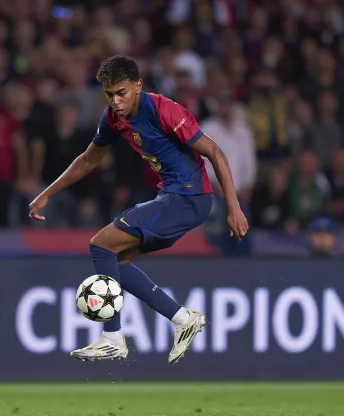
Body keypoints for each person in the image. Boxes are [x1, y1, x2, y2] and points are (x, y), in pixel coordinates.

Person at [28, 56, 249, 365]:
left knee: (100, 243)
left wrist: (233, 207)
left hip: (188, 198)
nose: (116, 101)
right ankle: (182, 319)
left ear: (138, 86)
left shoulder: (165, 110)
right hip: (171, 198)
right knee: (114, 261)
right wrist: (47, 193)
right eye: (109, 94)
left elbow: (214, 152)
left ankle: (112, 338)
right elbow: (89, 160)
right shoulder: (112, 118)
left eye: (121, 93)